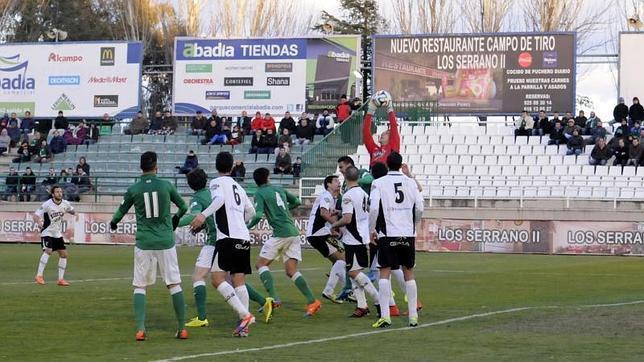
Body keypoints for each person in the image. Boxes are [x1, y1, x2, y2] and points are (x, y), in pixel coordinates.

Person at [180, 168, 274, 327]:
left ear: (190, 185)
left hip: (216, 241)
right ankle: (263, 302)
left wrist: (171, 223)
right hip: (235, 237)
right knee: (234, 279)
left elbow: (194, 215)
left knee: (200, 277)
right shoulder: (218, 190)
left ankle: (203, 318)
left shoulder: (199, 197)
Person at [110, 151, 189, 341]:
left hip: (144, 242)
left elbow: (120, 211)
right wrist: (175, 220)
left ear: (140, 168)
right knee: (174, 283)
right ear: (156, 167)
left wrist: (113, 223)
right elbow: (184, 207)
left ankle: (140, 329)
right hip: (165, 241)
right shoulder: (166, 186)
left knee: (140, 285)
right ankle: (182, 328)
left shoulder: (134, 189)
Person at [188, 152, 257, 337]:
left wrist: (203, 215)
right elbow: (252, 212)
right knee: (239, 281)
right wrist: (240, 221)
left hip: (227, 237)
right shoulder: (238, 186)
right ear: (232, 167)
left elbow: (219, 200)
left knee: (217, 279)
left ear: (216, 167)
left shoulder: (216, 183)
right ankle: (244, 328)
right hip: (243, 238)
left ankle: (245, 315)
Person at [246, 167, 322, 316]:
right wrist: (285, 209)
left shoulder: (259, 193)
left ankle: (274, 298)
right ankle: (312, 301)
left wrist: (246, 226)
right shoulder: (279, 189)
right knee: (291, 271)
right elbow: (297, 201)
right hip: (293, 232)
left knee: (261, 264)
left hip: (281, 233)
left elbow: (258, 214)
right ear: (267, 177)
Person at [369, 152, 423, 328]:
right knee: (408, 272)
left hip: (387, 232)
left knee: (384, 272)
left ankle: (386, 316)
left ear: (387, 164)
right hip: (407, 233)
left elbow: (374, 208)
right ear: (401, 165)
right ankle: (413, 317)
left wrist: (372, 229)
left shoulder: (378, 183)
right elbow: (420, 207)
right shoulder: (411, 183)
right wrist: (412, 224)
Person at [331, 166, 381, 318]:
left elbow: (348, 219)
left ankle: (378, 300)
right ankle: (362, 305)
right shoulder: (364, 193)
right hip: (362, 236)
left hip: (354, 238)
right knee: (354, 272)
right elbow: (360, 212)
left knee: (353, 272)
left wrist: (334, 225)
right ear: (358, 178)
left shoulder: (347, 195)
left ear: (345, 178)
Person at [305, 175, 346, 303]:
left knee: (340, 262)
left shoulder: (331, 198)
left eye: (339, 181)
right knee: (343, 260)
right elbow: (323, 213)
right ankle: (350, 290)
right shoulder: (326, 196)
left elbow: (324, 215)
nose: (339, 183)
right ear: (328, 184)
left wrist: (332, 228)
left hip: (318, 234)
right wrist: (336, 226)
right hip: (318, 234)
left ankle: (336, 290)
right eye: (336, 181)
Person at [33, 185, 76, 286]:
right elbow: (35, 215)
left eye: (60, 192)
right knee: (48, 251)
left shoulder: (65, 203)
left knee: (64, 254)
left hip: (57, 233)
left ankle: (60, 279)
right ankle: (39, 276)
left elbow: (70, 209)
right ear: (53, 194)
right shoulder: (47, 204)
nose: (59, 193)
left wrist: (75, 214)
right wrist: (38, 222)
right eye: (57, 192)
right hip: (47, 232)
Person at [363, 95, 400, 167]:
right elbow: (366, 131)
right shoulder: (374, 149)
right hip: (375, 177)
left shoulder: (392, 147)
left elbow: (394, 127)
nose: (383, 134)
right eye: (384, 132)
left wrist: (389, 109)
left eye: (387, 133)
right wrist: (370, 111)